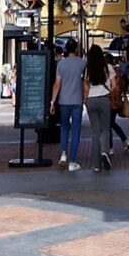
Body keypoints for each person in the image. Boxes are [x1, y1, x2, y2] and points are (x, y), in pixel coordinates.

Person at [49, 39, 86, 172]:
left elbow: (57, 84)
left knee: (64, 128)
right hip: (77, 101)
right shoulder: (82, 63)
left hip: (63, 101)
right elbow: (85, 82)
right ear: (76, 49)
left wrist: (52, 102)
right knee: (76, 131)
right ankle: (73, 161)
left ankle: (63, 154)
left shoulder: (61, 64)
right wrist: (85, 98)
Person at [83, 44, 115, 172]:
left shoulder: (87, 69)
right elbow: (114, 85)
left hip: (91, 100)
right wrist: (109, 92)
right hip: (104, 99)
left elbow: (86, 87)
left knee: (95, 132)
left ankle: (96, 165)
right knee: (105, 129)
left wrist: (85, 100)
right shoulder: (108, 67)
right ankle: (105, 152)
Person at [107, 54, 129, 154]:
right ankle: (125, 140)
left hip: (110, 101)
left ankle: (111, 148)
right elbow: (122, 85)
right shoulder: (118, 71)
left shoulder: (107, 71)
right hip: (117, 101)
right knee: (112, 123)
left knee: (108, 125)